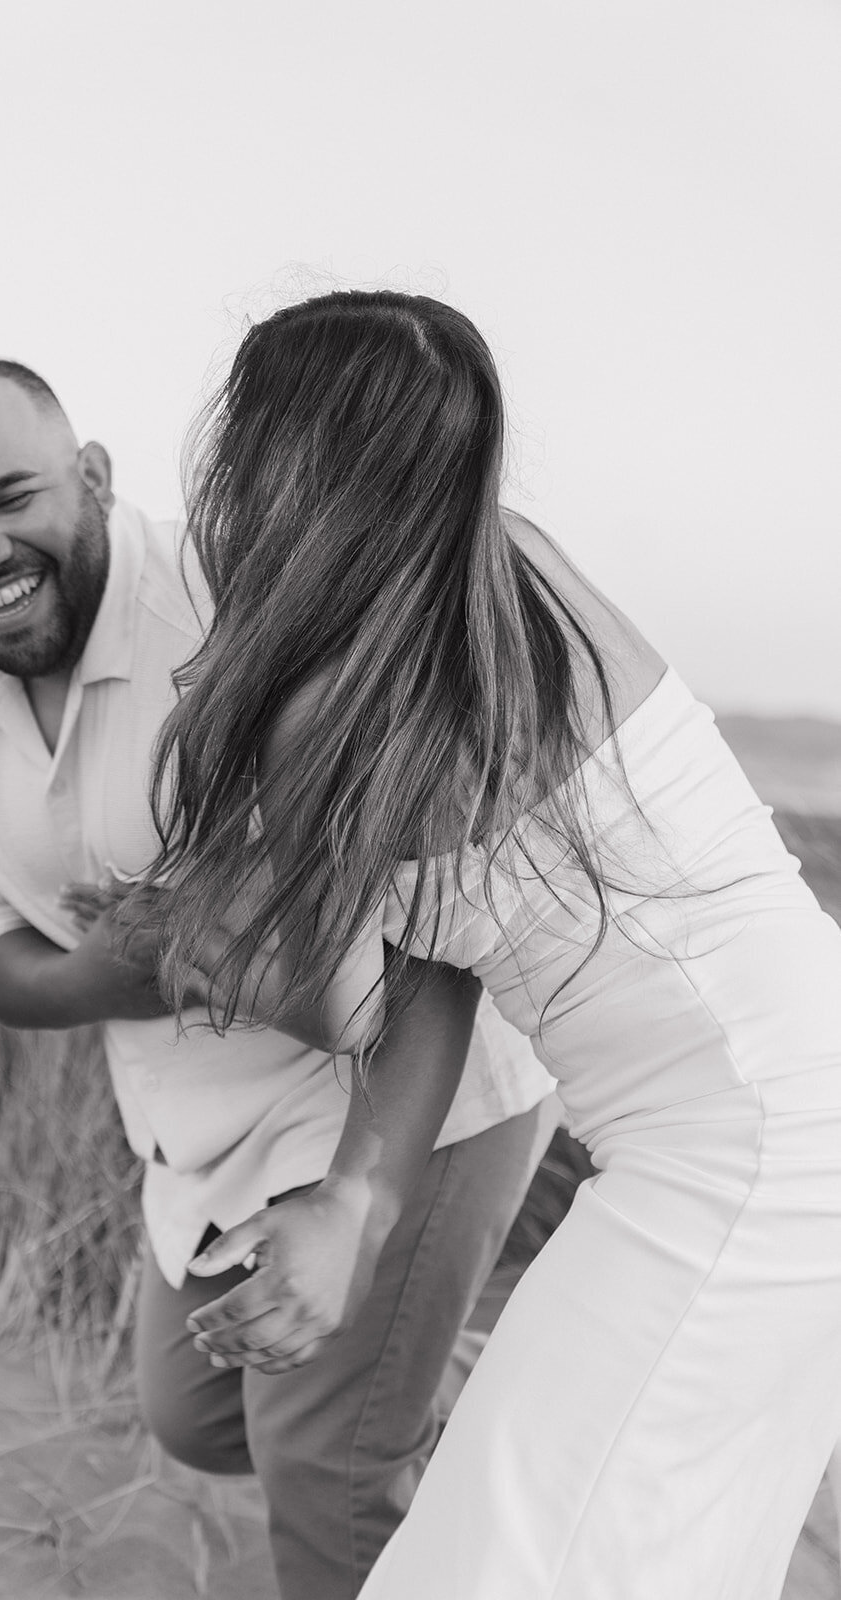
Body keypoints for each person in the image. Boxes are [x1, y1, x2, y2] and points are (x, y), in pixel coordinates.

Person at [120, 289, 841, 1600]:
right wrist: (360, 1195)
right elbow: (441, 948)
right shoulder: (507, 589)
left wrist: (177, 939)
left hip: (746, 1161)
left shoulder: (340, 709)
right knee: (633, 1541)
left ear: (269, 456)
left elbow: (334, 995)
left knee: (517, 1557)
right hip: (790, 1099)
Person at [0, 355, 560, 1600]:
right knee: (196, 1413)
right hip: (194, 1135)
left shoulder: (240, 602)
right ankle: (444, 1422)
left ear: (90, 476)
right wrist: (130, 963)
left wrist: (356, 1198)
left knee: (323, 1474)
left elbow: (426, 936)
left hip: (402, 1094)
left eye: (9, 497)